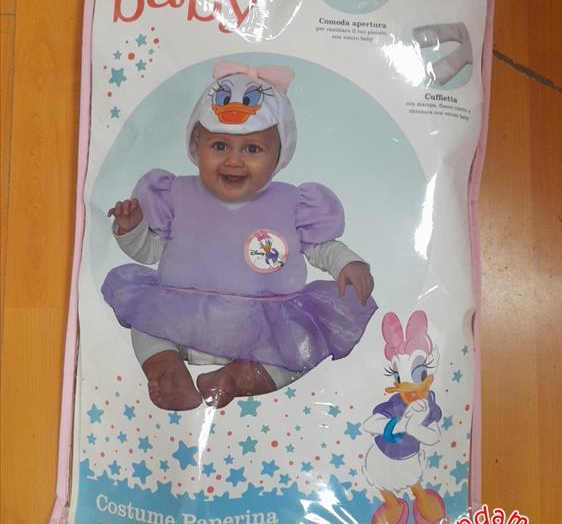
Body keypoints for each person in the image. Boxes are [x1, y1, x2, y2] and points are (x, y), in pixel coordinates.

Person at [102, 61, 377, 411]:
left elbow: (320, 247)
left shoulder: (293, 203)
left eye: (252, 149)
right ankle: (168, 369)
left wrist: (347, 263)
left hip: (261, 325)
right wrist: (132, 229)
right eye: (219, 146)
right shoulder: (175, 194)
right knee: (145, 324)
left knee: (300, 347)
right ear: (196, 144)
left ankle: (236, 378)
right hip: (181, 313)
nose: (234, 161)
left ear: (279, 154)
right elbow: (151, 252)